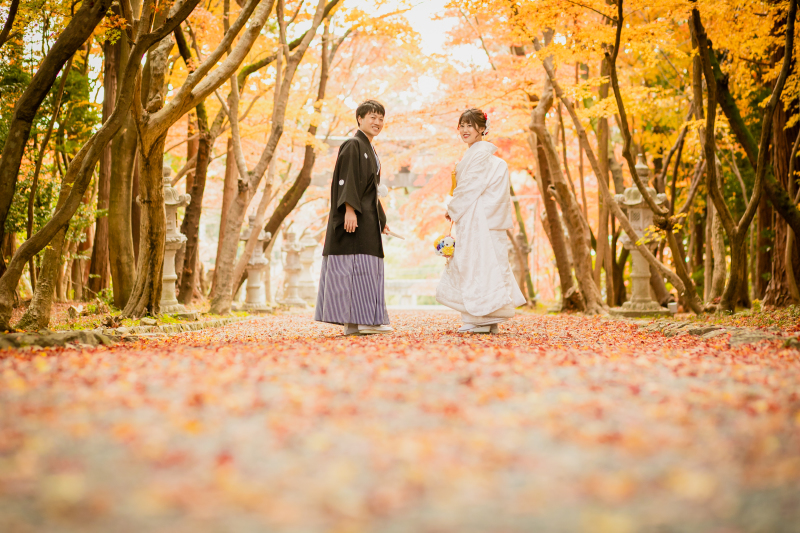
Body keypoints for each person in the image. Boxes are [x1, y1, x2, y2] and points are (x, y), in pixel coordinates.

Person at [436, 108, 526, 333]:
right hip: (484, 220)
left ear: (482, 129)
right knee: (488, 266)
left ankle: (480, 318)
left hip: (479, 222)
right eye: (462, 125)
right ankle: (486, 318)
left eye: (471, 125)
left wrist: (452, 208)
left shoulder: (480, 156)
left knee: (476, 265)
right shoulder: (482, 156)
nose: (465, 130)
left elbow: (468, 188)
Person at [315, 100, 393, 335]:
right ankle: (361, 321)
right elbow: (347, 179)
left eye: (380, 118)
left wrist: (382, 219)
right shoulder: (353, 144)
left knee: (364, 266)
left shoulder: (369, 148)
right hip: (354, 218)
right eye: (372, 117)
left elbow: (370, 189)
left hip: (367, 218)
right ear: (359, 119)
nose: (377, 122)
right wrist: (349, 209)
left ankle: (357, 322)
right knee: (354, 266)